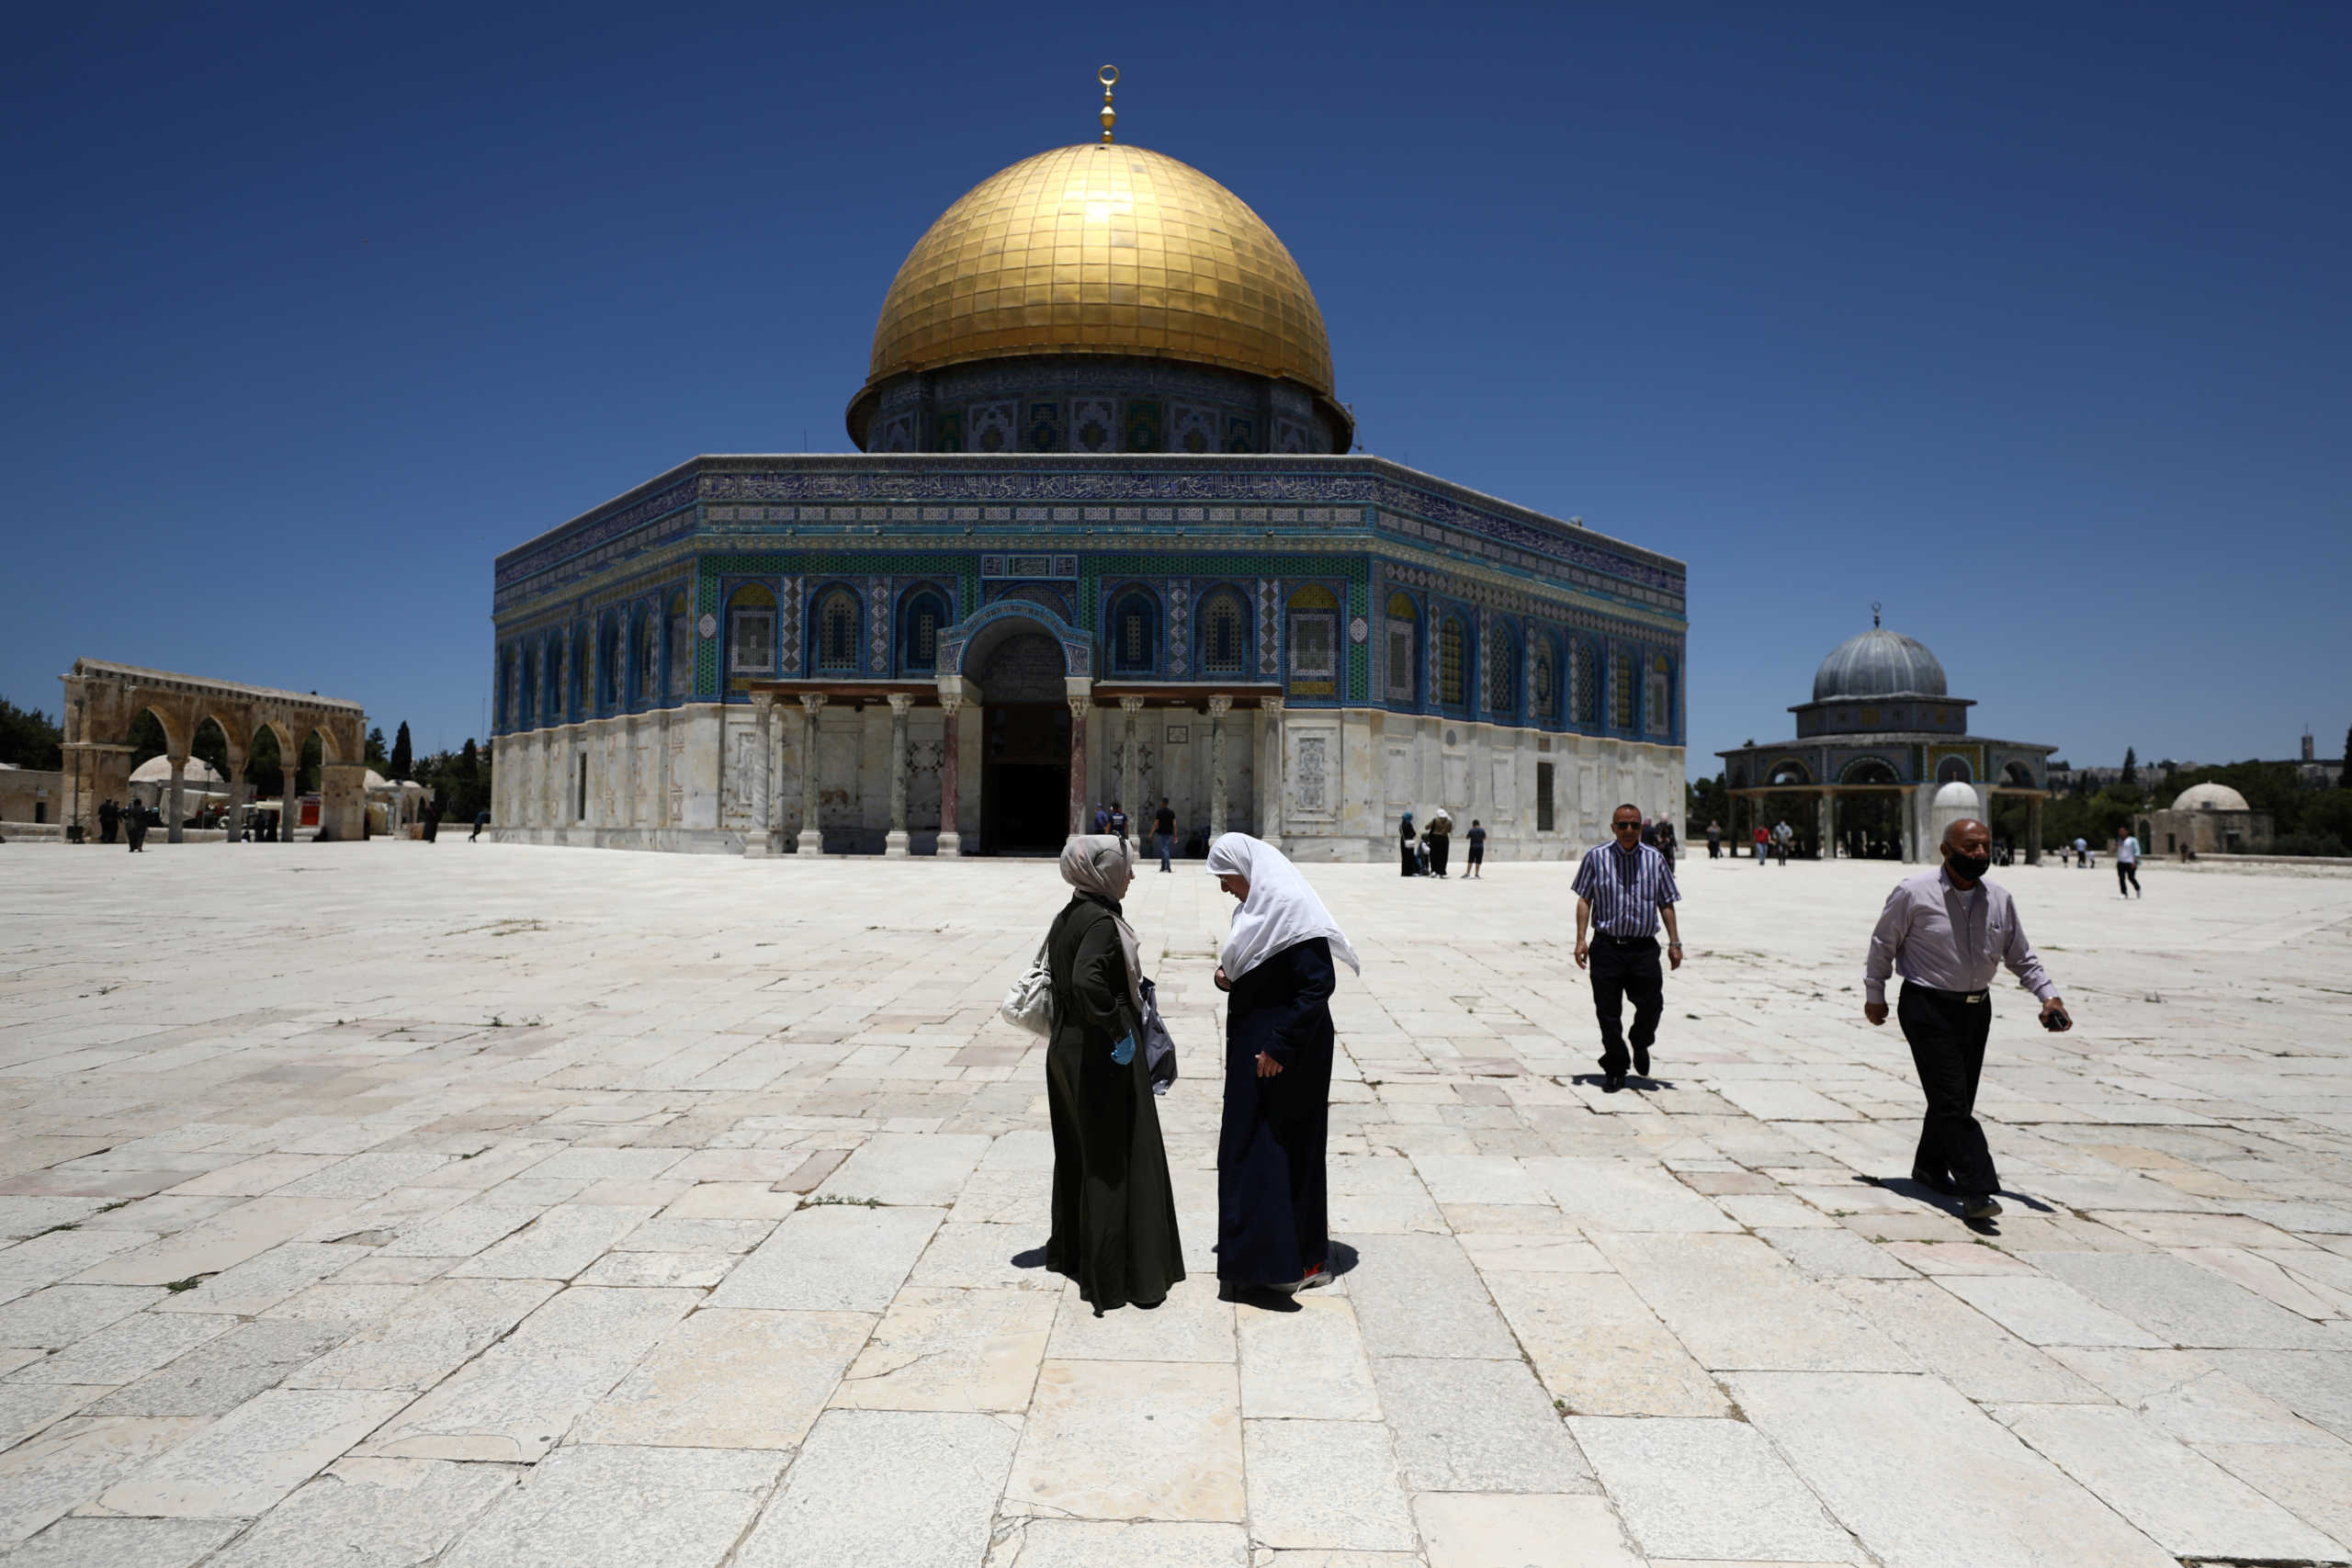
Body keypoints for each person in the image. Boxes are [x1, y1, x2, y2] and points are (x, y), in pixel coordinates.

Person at [1865, 818, 2070, 1222]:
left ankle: (1928, 1166)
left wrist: (2048, 996)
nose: (1979, 854)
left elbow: (2020, 955)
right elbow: (1882, 943)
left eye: (1984, 847)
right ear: (1946, 850)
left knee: (1955, 1098)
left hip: (1977, 1009)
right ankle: (1977, 1189)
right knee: (1952, 1101)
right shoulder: (1913, 893)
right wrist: (1876, 995)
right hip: (1926, 1005)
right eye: (1970, 847)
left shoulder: (1999, 897)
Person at [1208, 833, 1360, 1297]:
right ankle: (1280, 1254)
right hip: (1263, 1051)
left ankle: (1282, 1264)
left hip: (1287, 1057)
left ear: (1246, 868)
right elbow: (1263, 971)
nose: (1223, 888)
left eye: (1224, 877)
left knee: (1275, 1147)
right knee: (1257, 1146)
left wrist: (1279, 1046)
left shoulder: (1292, 911)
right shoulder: (1259, 912)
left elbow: (1317, 986)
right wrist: (1228, 978)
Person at [1043, 835, 1184, 1314]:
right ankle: (1116, 1277)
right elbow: (1087, 982)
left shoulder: (1069, 914)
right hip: (1101, 1052)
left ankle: (1075, 1256)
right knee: (1114, 1157)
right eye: (1126, 867)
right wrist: (1115, 1029)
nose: (1132, 875)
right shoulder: (1102, 922)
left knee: (1080, 1150)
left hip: (1066, 1047)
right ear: (1103, 873)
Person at [1573, 805, 1684, 1095]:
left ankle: (1640, 1040)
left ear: (1640, 828)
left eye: (1634, 825)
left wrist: (1675, 942)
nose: (1629, 831)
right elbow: (1584, 899)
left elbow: (1666, 903)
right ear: (1613, 828)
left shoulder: (1655, 859)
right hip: (1607, 946)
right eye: (1623, 825)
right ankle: (1615, 1067)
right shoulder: (1596, 858)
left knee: (1652, 1004)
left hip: (1643, 949)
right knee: (1607, 1012)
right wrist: (1581, 939)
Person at [2115, 829, 2141, 897]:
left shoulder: (2132, 840)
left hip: (2130, 862)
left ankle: (2138, 888)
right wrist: (2116, 846)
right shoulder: (2118, 840)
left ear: (2127, 832)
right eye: (2120, 832)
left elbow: (2137, 851)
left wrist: (2135, 862)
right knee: (2121, 878)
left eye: (2122, 831)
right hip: (2120, 862)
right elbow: (2114, 850)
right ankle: (2124, 893)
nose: (2121, 833)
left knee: (2131, 877)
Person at [1153, 798, 1177, 872]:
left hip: (1161, 833)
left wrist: (1151, 833)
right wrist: (1175, 836)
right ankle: (1163, 866)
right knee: (1164, 849)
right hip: (1169, 833)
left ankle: (1168, 866)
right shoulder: (1171, 812)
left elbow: (1156, 824)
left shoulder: (1159, 812)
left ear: (1163, 803)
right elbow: (1174, 825)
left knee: (1164, 849)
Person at [1426, 813, 1452, 878]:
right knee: (1443, 856)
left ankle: (1434, 871)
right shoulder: (1449, 821)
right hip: (1444, 839)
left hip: (1435, 839)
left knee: (1434, 855)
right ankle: (1442, 871)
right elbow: (1449, 831)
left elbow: (1426, 827)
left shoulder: (1435, 820)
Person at [1397, 813, 1419, 877]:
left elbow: (1401, 833)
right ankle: (1410, 872)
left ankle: (1404, 872)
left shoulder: (1401, 825)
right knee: (1410, 857)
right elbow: (1414, 833)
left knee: (1404, 857)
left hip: (1403, 842)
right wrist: (1411, 835)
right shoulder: (1409, 824)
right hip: (1409, 842)